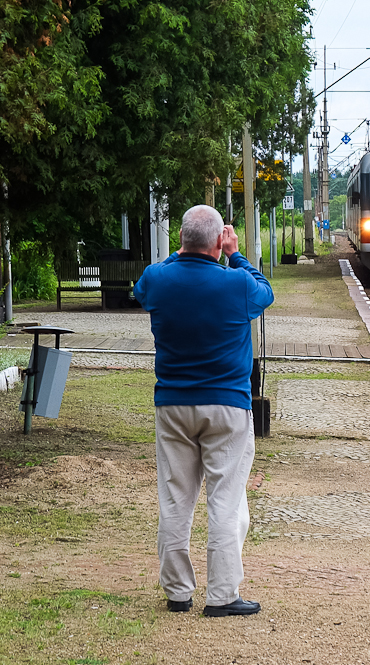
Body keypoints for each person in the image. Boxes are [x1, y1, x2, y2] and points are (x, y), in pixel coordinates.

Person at [133, 204, 274, 617]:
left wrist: (183, 253)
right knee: (225, 500)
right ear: (218, 241)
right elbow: (264, 291)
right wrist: (235, 253)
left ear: (180, 241)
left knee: (175, 499)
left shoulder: (157, 278)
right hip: (228, 406)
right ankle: (223, 595)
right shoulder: (237, 284)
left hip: (173, 404)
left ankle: (177, 592)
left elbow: (145, 289)